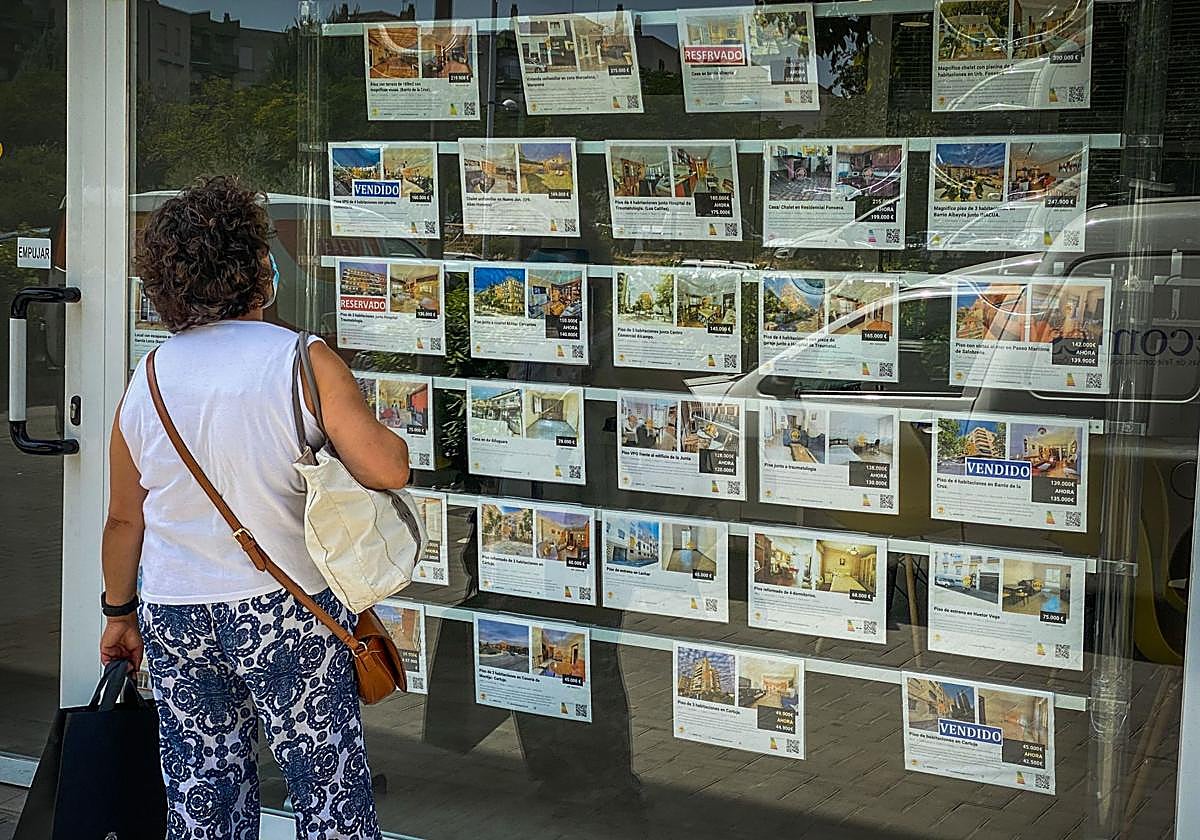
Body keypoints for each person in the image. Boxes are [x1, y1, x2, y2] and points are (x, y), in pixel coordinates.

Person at [98, 176, 410, 839]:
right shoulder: (302, 360)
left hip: (178, 614)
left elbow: (125, 518)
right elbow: (387, 467)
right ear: (257, 271)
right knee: (327, 795)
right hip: (288, 608)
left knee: (202, 796)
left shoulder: (147, 378)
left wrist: (119, 614)